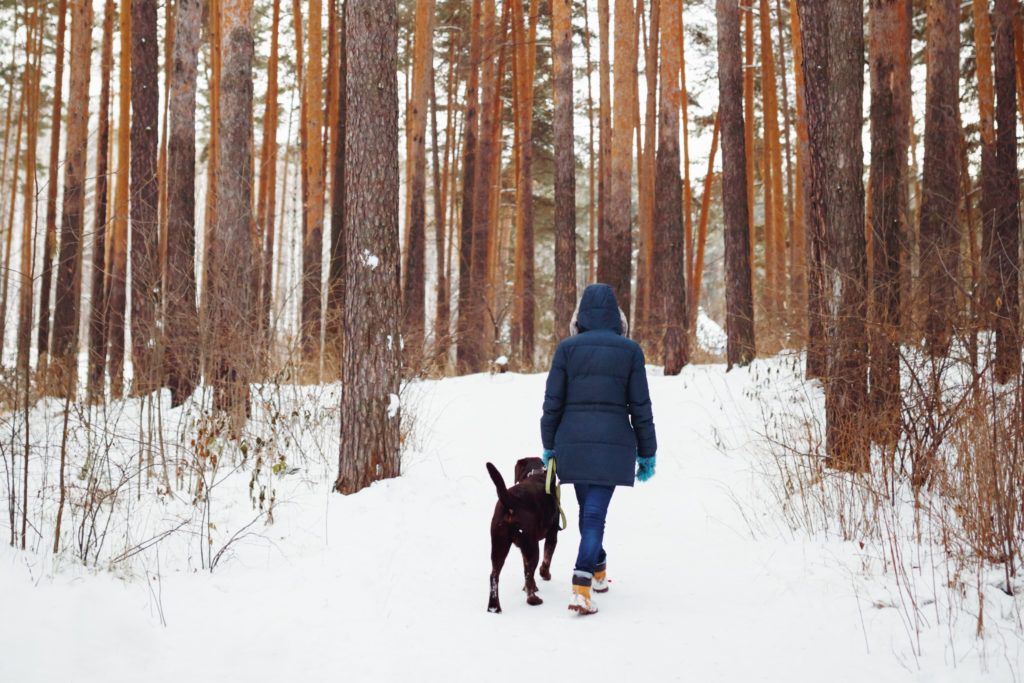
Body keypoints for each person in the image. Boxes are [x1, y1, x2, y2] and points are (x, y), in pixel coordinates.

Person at [540, 283, 657, 615]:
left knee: (588, 514)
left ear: (580, 317)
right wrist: (647, 451)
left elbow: (552, 405)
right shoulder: (630, 351)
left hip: (572, 444)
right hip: (613, 447)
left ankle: (598, 572)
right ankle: (582, 585)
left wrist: (549, 445)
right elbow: (641, 406)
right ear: (617, 317)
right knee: (593, 516)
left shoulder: (566, 349)